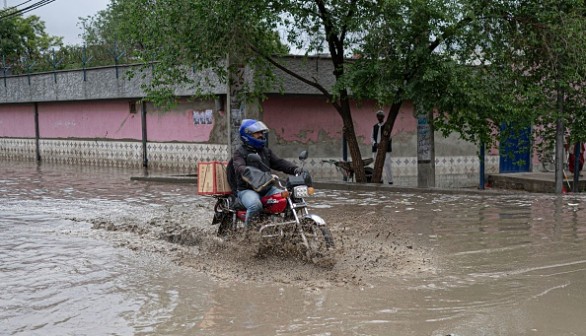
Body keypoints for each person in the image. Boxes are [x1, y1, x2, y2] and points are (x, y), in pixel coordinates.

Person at [232, 119, 302, 226]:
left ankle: (288, 230)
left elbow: (279, 163)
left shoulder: (265, 151)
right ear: (247, 135)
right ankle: (249, 237)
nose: (261, 135)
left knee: (289, 198)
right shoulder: (239, 153)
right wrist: (257, 176)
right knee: (255, 205)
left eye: (261, 133)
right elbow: (240, 168)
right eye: (257, 133)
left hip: (267, 189)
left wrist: (295, 169)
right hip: (247, 190)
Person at [372, 110, 393, 184]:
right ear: (377, 117)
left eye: (381, 116)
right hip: (376, 148)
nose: (379, 117)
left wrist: (383, 144)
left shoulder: (387, 126)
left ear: (383, 117)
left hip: (385, 149)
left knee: (387, 164)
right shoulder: (374, 127)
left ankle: (390, 181)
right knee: (376, 164)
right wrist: (375, 144)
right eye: (378, 116)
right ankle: (380, 180)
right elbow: (372, 138)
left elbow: (390, 137)